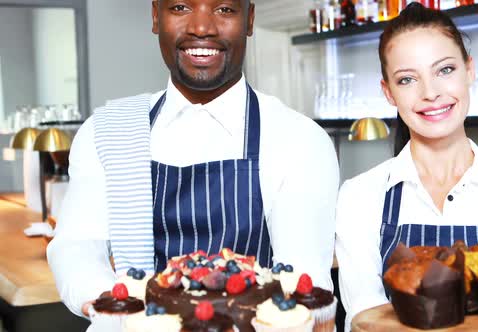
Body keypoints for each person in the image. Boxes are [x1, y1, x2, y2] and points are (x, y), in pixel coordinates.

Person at [47, 0, 339, 319]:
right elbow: (78, 244)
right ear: (156, 16)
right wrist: (109, 302)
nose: (202, 27)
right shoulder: (107, 130)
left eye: (225, 9)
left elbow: (302, 272)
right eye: (181, 7)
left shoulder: (299, 138)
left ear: (250, 20)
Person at [335, 3, 478, 330]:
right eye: (408, 79)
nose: (431, 93)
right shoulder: (359, 197)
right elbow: (366, 320)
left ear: (469, 71)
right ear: (388, 92)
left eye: (444, 70)